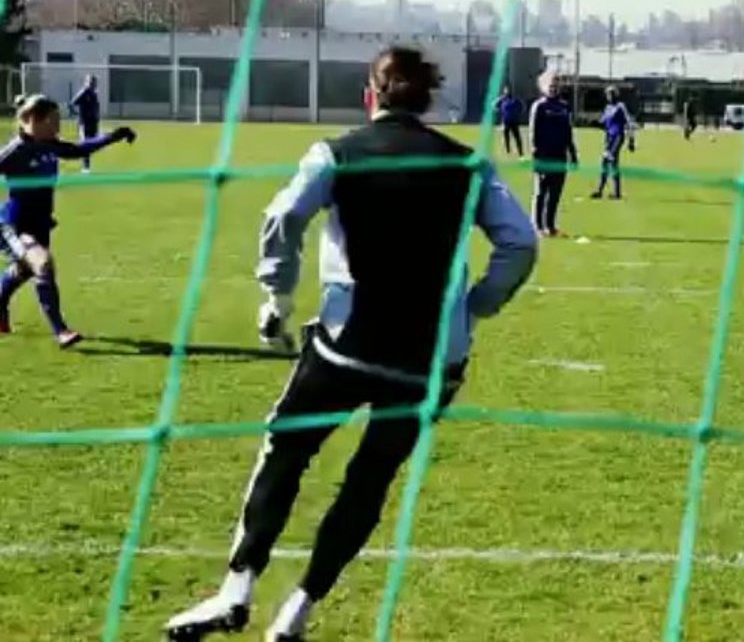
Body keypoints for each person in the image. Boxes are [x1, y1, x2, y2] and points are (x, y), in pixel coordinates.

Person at [164, 46, 538, 642]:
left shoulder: (335, 153)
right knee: (371, 478)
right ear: (426, 101)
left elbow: (283, 217)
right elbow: (520, 242)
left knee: (285, 449)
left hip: (345, 347)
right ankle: (296, 614)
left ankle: (236, 588)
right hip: (430, 361)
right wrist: (477, 306)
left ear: (372, 94)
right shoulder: (471, 165)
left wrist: (277, 298)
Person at [0, 94, 135, 347]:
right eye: (52, 120)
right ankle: (60, 331)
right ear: (30, 120)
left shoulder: (50, 144)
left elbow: (78, 150)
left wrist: (112, 137)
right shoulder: (15, 151)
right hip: (15, 224)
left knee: (24, 270)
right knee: (43, 264)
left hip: (40, 222)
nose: (57, 126)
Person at [528, 70, 577, 237]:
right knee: (541, 192)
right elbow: (533, 133)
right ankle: (537, 226)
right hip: (544, 156)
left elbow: (568, 133)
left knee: (555, 193)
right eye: (550, 85)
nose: (553, 88)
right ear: (543, 87)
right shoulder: (539, 106)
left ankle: (550, 226)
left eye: (556, 85)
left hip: (560, 156)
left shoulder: (564, 107)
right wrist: (536, 155)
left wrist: (573, 155)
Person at [591, 85, 635, 200]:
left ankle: (616, 192)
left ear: (615, 95)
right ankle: (600, 191)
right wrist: (595, 123)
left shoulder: (621, 106)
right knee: (605, 163)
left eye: (611, 94)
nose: (609, 96)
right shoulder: (607, 108)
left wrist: (631, 140)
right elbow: (604, 124)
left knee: (612, 161)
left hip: (618, 137)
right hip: (609, 139)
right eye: (607, 94)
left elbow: (629, 123)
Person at [70, 75, 100, 173]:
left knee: (92, 144)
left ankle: (85, 164)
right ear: (86, 82)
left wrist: (97, 118)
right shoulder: (84, 92)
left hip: (93, 123)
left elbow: (95, 108)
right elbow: (72, 103)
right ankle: (86, 168)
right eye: (91, 82)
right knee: (86, 143)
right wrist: (77, 114)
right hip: (84, 123)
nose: (93, 84)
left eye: (94, 82)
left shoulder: (94, 93)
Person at [494, 84, 525, 157]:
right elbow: (494, 105)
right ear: (504, 91)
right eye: (506, 89)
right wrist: (499, 110)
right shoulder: (502, 99)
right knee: (506, 137)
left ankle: (520, 152)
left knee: (517, 137)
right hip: (505, 121)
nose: (507, 91)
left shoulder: (515, 99)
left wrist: (518, 113)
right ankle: (508, 151)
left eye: (508, 89)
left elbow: (522, 107)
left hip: (514, 121)